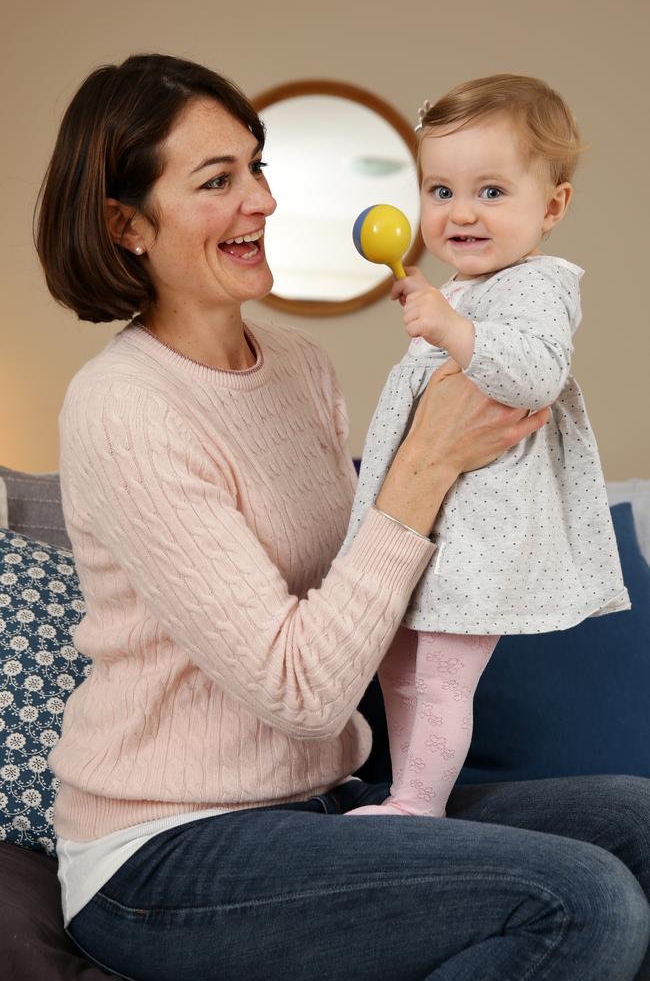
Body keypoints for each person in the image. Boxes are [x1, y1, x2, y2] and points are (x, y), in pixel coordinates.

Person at [35, 54, 650, 981]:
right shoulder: (122, 407)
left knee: (640, 824)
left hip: (322, 798)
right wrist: (429, 460)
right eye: (218, 181)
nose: (263, 202)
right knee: (578, 900)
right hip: (166, 851)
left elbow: (361, 585)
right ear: (126, 224)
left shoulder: (298, 367)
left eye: (258, 167)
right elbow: (304, 690)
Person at [342, 74, 629, 820]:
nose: (461, 212)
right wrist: (440, 314)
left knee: (440, 678)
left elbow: (535, 374)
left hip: (483, 530)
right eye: (440, 192)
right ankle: (411, 794)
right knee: (399, 668)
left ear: (552, 207)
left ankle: (416, 805)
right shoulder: (464, 287)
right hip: (434, 522)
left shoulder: (539, 284)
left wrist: (452, 333)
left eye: (492, 192)